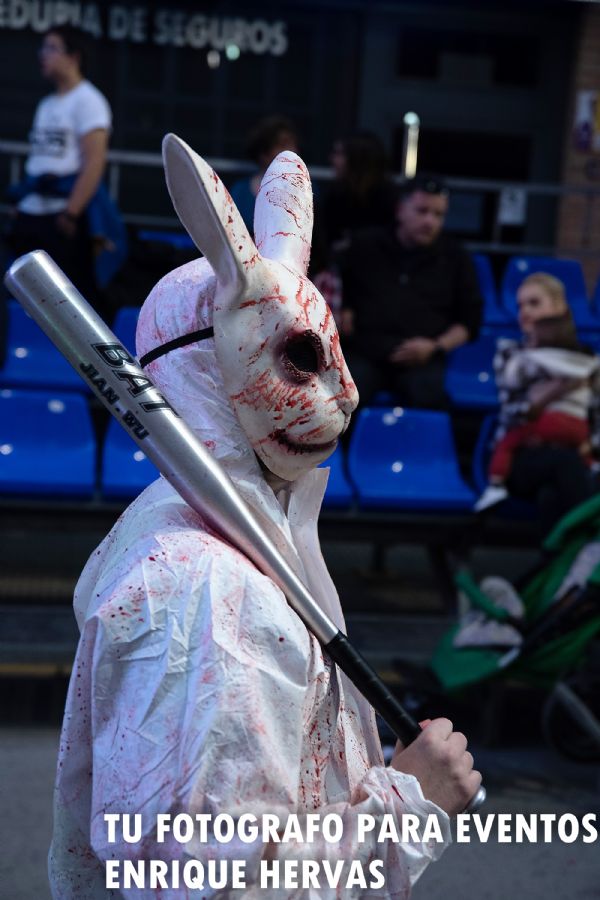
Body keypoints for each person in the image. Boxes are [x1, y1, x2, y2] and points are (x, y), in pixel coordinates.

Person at [48, 137, 479, 898]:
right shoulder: (203, 595)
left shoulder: (211, 549)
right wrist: (406, 808)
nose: (345, 395)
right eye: (304, 359)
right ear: (206, 365)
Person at [338, 173, 483, 409]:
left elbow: (470, 322)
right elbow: (332, 286)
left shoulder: (456, 256)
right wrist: (342, 309)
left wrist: (436, 346)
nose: (430, 222)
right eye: (422, 211)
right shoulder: (365, 246)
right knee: (339, 399)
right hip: (367, 353)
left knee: (431, 399)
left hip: (424, 359)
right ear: (400, 210)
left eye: (438, 215)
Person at [6, 25, 125, 305]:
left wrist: (72, 213)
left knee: (69, 295)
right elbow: (41, 158)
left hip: (64, 213)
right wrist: (23, 203)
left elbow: (94, 163)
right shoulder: (47, 104)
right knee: (22, 289)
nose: (42, 56)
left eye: (51, 48)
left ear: (73, 56)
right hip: (34, 208)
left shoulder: (89, 100)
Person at [480, 273, 598, 535]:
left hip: (577, 455)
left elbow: (595, 417)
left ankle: (557, 569)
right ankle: (586, 559)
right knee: (566, 466)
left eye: (534, 303)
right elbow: (512, 415)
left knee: (552, 495)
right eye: (520, 306)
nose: (525, 312)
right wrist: (559, 388)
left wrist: (589, 445)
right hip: (521, 458)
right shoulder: (511, 355)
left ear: (560, 308)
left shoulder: (586, 360)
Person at [312, 132, 397, 328]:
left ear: (358, 159)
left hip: (376, 288)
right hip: (341, 283)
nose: (332, 160)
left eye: (339, 154)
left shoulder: (386, 197)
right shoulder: (335, 195)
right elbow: (326, 249)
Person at [229, 114, 298, 233]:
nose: (293, 150)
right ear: (264, 153)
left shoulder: (305, 191)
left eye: (293, 144)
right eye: (283, 145)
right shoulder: (239, 192)